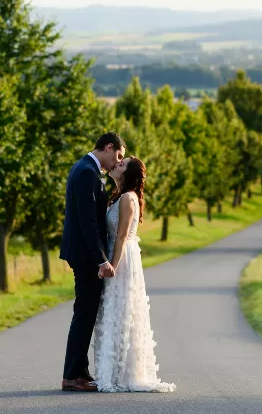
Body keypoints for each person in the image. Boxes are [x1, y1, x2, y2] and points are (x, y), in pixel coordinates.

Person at [92, 156, 176, 393]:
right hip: (115, 253)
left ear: (128, 174)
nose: (116, 164)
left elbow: (121, 236)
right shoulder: (118, 196)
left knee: (121, 309)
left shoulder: (128, 198)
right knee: (113, 311)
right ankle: (111, 371)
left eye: (122, 164)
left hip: (122, 259)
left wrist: (112, 266)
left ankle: (121, 374)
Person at [60, 132, 125, 392]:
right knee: (84, 313)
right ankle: (72, 375)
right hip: (86, 256)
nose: (117, 162)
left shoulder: (84, 167)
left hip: (82, 253)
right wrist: (101, 260)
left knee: (85, 313)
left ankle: (79, 371)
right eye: (118, 155)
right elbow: (87, 222)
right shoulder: (87, 172)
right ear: (108, 147)